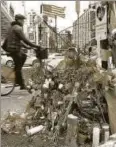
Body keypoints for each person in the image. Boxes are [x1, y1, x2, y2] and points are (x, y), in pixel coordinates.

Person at [2, 14, 40, 89]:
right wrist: (36, 46)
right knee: (19, 67)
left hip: (11, 49)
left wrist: (27, 47)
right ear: (18, 20)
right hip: (14, 50)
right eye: (22, 20)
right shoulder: (18, 28)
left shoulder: (12, 27)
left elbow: (19, 41)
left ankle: (17, 72)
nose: (23, 22)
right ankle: (21, 84)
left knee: (24, 56)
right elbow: (25, 39)